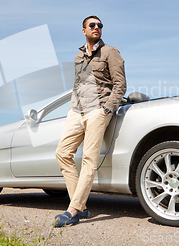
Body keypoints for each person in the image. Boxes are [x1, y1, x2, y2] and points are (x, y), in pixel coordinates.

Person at [54, 15, 127, 227]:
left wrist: (107, 109)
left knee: (89, 159)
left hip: (99, 109)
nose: (97, 28)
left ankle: (73, 209)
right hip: (77, 110)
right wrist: (72, 107)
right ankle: (83, 207)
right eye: (92, 25)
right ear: (84, 30)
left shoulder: (110, 52)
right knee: (62, 153)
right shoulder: (78, 57)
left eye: (100, 25)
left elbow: (120, 85)